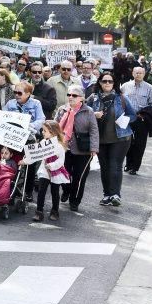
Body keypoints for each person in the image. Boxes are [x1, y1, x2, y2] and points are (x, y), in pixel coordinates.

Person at [88, 72, 137, 207]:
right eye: (105, 81)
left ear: (114, 83)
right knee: (104, 168)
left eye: (110, 81)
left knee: (115, 166)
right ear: (100, 83)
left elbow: (133, 115)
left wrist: (124, 120)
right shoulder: (93, 98)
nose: (107, 83)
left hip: (121, 138)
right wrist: (93, 114)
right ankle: (107, 195)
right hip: (100, 139)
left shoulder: (121, 98)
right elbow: (84, 115)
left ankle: (115, 195)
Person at [55, 84, 99, 212]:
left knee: (79, 177)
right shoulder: (62, 109)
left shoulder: (88, 111)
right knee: (63, 173)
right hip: (64, 148)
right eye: (69, 95)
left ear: (82, 98)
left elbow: (94, 131)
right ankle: (66, 191)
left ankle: (75, 201)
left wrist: (94, 148)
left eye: (74, 95)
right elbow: (55, 128)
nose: (71, 97)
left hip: (82, 150)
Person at [3, 81, 46, 202]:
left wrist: (30, 126)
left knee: (30, 165)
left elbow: (41, 119)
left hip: (30, 138)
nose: (16, 95)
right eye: (15, 92)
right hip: (14, 137)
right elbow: (3, 116)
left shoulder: (36, 103)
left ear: (28, 94)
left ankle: (28, 191)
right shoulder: (10, 103)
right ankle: (11, 188)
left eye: (19, 93)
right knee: (12, 162)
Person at [23, 120, 70, 222]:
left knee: (55, 192)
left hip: (55, 172)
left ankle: (55, 211)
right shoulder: (43, 143)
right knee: (41, 191)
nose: (42, 132)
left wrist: (51, 165)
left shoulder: (59, 146)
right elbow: (35, 155)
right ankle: (39, 212)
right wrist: (25, 161)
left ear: (52, 132)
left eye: (44, 131)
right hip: (44, 171)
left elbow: (61, 161)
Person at [121, 67, 152, 176]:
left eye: (141, 73)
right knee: (127, 142)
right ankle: (128, 164)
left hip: (141, 120)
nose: (138, 74)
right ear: (133, 73)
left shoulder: (149, 88)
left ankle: (135, 167)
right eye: (136, 72)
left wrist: (145, 115)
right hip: (128, 119)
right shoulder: (125, 86)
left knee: (139, 144)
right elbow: (119, 101)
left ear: (144, 74)